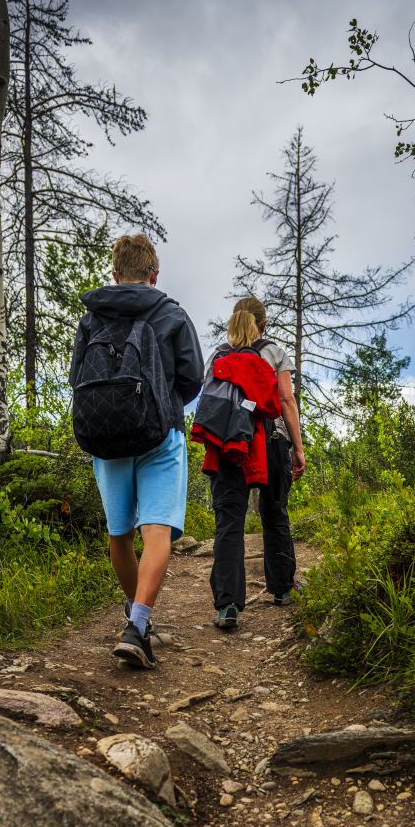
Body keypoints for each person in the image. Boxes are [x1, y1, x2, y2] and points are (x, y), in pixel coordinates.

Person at [72, 233, 204, 667]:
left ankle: (135, 618)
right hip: (159, 434)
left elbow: (76, 376)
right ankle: (139, 626)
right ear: (154, 273)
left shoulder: (91, 316)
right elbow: (192, 378)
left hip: (105, 437)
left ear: (114, 274)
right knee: (157, 529)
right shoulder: (171, 313)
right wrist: (159, 405)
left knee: (119, 532)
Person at [201, 296, 306, 628]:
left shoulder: (218, 354)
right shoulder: (274, 352)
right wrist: (298, 448)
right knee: (274, 514)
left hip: (228, 443)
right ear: (264, 324)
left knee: (229, 521)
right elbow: (286, 400)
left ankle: (228, 604)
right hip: (270, 442)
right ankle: (283, 589)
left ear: (234, 321)